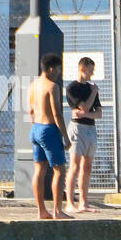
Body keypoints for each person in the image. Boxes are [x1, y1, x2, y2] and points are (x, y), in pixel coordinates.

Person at [26, 52, 70, 219]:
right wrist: (65, 137)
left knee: (39, 170)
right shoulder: (52, 87)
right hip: (49, 129)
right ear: (51, 69)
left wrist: (36, 128)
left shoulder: (32, 86)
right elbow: (57, 114)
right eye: (58, 69)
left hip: (35, 128)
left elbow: (30, 111)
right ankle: (58, 211)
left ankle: (41, 211)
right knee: (59, 170)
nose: (59, 73)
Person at [63, 57, 101, 213]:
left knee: (87, 166)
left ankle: (84, 202)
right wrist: (93, 93)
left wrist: (85, 114)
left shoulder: (91, 87)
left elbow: (98, 113)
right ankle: (70, 202)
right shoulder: (72, 88)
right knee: (75, 165)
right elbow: (85, 107)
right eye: (90, 70)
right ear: (82, 69)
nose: (92, 73)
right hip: (77, 129)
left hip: (90, 129)